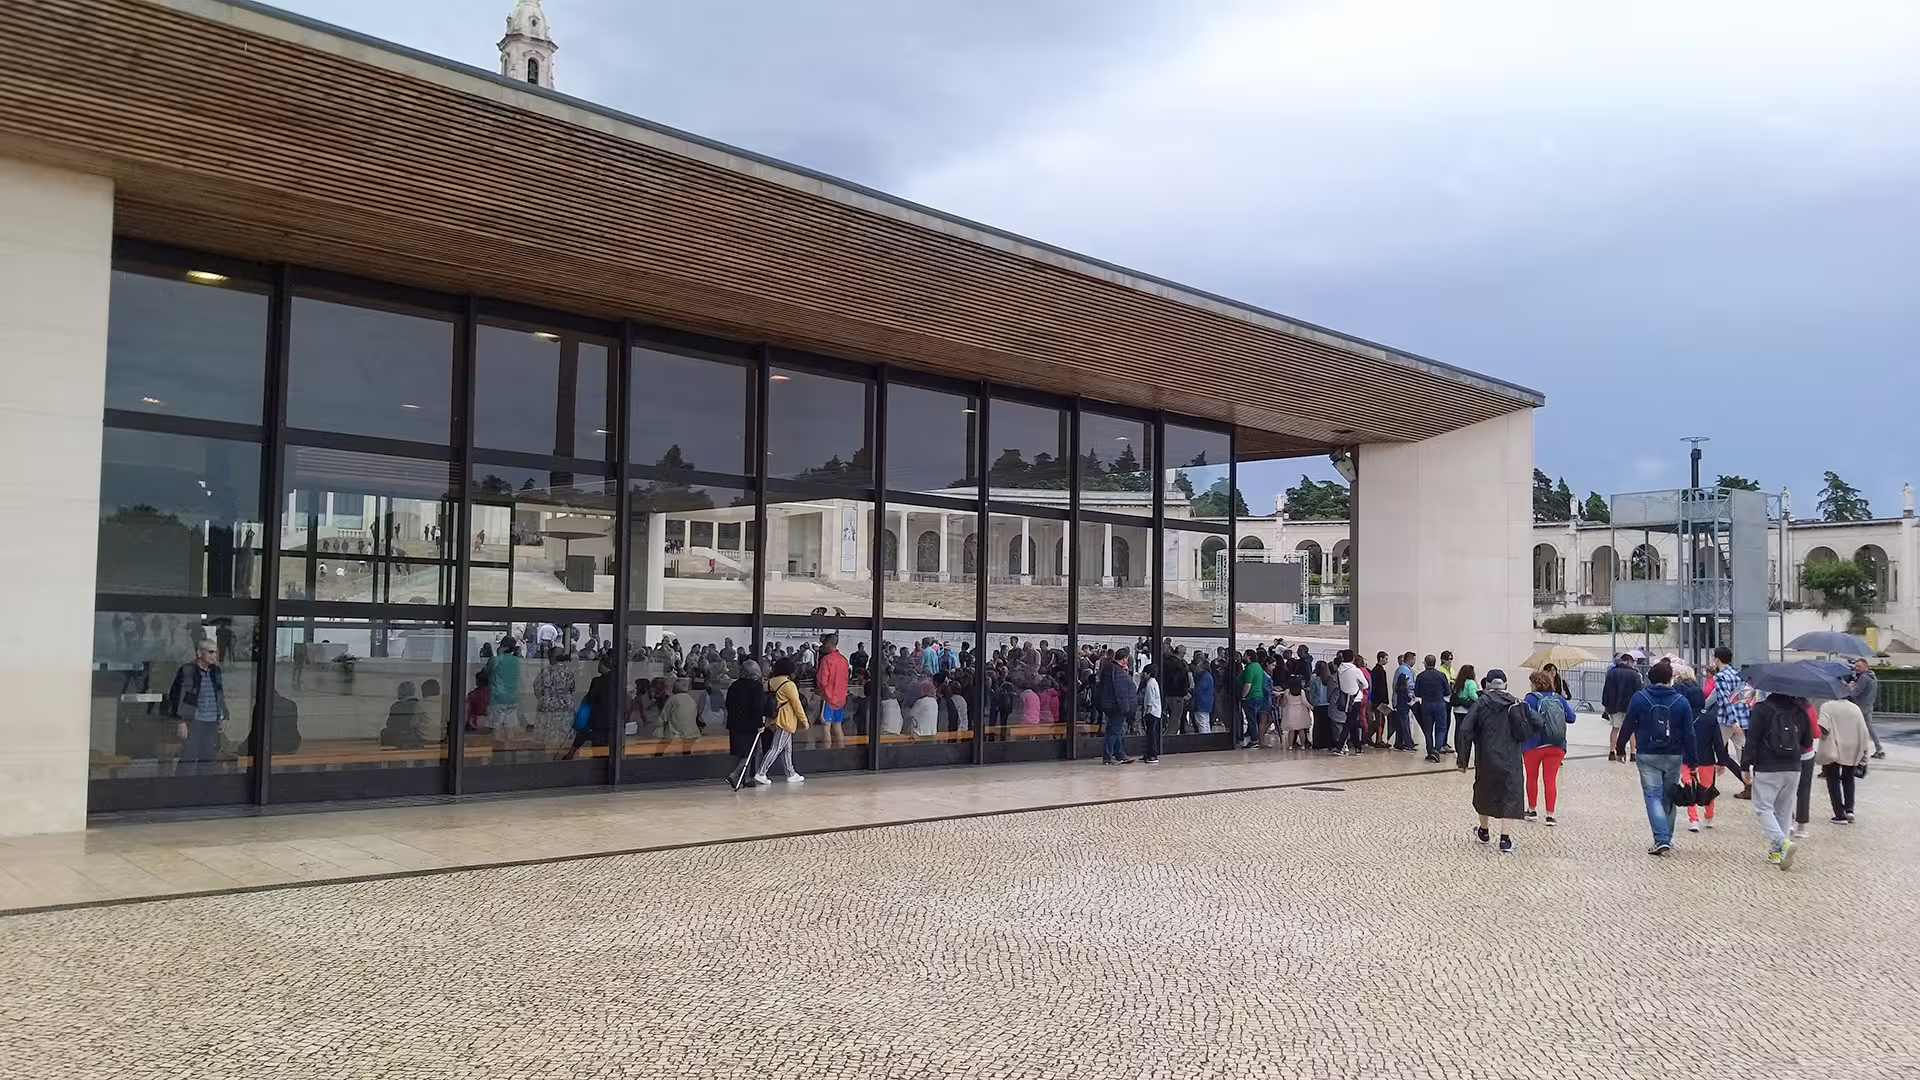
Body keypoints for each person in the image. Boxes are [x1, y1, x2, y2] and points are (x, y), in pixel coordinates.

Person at [1616, 660, 1696, 856]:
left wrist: (1620, 748)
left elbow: (1628, 725)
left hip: (1647, 753)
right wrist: (1692, 761)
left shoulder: (1639, 698)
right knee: (1669, 796)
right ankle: (1666, 837)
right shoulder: (1681, 702)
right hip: (1673, 754)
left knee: (1653, 796)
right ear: (1670, 679)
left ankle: (1661, 839)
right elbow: (1690, 733)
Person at [1456, 669, 1534, 854]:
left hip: (1486, 756)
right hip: (1511, 758)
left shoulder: (1481, 703)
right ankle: (1505, 840)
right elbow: (1534, 723)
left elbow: (1466, 729)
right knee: (1511, 795)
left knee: (1484, 791)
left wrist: (1463, 760)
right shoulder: (1516, 703)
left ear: (1487, 685)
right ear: (1505, 684)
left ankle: (1484, 831)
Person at [1741, 690, 1814, 870]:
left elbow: (1753, 739)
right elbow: (1807, 740)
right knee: (1784, 809)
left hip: (1767, 766)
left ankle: (1782, 843)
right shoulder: (1800, 710)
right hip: (1793, 766)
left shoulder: (1761, 709)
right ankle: (1776, 852)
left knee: (1763, 807)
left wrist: (1745, 765)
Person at [165, 640, 229, 772]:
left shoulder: (215, 671)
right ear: (200, 653)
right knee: (188, 757)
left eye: (216, 652)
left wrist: (223, 715)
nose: (215, 655)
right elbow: (178, 697)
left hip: (212, 721)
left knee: (208, 758)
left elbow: (219, 694)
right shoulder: (187, 670)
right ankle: (181, 787)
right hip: (194, 721)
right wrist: (181, 721)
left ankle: (203, 787)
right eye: (211, 652)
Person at [1522, 669, 1575, 825]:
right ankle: (1550, 815)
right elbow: (1572, 718)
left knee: (1532, 778)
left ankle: (1532, 811)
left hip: (1534, 745)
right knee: (1550, 779)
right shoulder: (1558, 698)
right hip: (1557, 744)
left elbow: (1523, 718)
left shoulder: (1530, 699)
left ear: (1535, 684)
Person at [1705, 646, 1753, 796]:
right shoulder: (1739, 674)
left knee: (1712, 751)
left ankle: (1709, 787)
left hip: (1726, 720)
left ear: (1717, 659)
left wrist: (1732, 720)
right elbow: (1745, 698)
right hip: (1742, 718)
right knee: (1743, 754)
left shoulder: (1720, 677)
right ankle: (1749, 786)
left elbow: (1724, 700)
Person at [753, 655, 808, 785]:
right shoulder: (789, 685)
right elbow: (796, 704)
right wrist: (804, 721)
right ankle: (761, 773)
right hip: (785, 720)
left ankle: (791, 773)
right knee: (776, 747)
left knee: (787, 748)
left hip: (773, 718)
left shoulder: (769, 682)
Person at [1816, 694, 1871, 823]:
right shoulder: (1854, 708)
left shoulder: (1827, 706)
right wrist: (1864, 752)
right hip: (1852, 747)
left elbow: (1823, 728)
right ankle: (1849, 809)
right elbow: (1864, 731)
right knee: (1848, 778)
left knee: (1832, 780)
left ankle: (1839, 814)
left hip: (1833, 747)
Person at [561, 654, 617, 761]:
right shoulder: (617, 681)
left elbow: (591, 698)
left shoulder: (597, 681)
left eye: (600, 664)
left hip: (598, 718)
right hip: (612, 719)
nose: (598, 667)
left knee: (592, 740)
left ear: (605, 665)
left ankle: (571, 754)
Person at [724, 659, 769, 785]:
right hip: (749, 724)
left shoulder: (734, 685)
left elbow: (728, 703)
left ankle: (746, 778)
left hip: (734, 723)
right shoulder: (756, 687)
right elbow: (757, 707)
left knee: (741, 753)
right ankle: (735, 774)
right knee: (750, 752)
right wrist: (760, 724)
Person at [1096, 650, 1137, 765]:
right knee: (1114, 730)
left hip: (1108, 704)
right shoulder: (1118, 671)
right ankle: (1108, 755)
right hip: (1117, 706)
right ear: (1124, 658)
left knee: (1117, 730)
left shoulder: (1108, 668)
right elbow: (1121, 691)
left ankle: (1120, 754)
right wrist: (1126, 708)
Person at [1601, 652, 1644, 764]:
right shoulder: (1635, 675)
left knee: (1615, 728)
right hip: (1630, 707)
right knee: (1632, 730)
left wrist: (1606, 705)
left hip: (1614, 706)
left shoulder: (1611, 673)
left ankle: (1612, 752)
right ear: (1629, 662)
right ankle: (1633, 753)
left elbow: (1606, 690)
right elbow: (1639, 692)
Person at [532, 646, 578, 749]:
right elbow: (572, 688)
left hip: (549, 706)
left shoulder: (545, 671)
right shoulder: (569, 672)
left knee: (549, 735)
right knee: (565, 735)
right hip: (566, 705)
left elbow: (537, 688)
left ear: (551, 657)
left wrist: (544, 699)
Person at [485, 637, 523, 747]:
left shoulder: (495, 660)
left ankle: (498, 753)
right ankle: (510, 751)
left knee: (497, 728)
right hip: (513, 698)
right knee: (510, 727)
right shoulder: (516, 661)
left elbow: (485, 673)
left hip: (498, 698)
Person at [816, 633, 850, 750]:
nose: (823, 646)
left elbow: (822, 680)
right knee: (837, 726)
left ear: (829, 644)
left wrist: (821, 692)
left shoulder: (826, 660)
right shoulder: (844, 660)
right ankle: (841, 752)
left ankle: (826, 753)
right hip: (841, 698)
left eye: (824, 643)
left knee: (826, 726)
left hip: (828, 698)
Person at [1414, 655, 1451, 762]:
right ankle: (1437, 749)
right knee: (1441, 728)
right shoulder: (1441, 675)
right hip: (1439, 704)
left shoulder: (1421, 676)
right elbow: (1447, 691)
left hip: (1426, 704)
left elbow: (1417, 692)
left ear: (1425, 663)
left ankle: (1430, 750)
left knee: (1428, 729)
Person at [1849, 658, 1884, 759]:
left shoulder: (1864, 678)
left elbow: (1855, 693)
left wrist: (1848, 687)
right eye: (1856, 666)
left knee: (1855, 728)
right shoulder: (1872, 676)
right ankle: (1879, 749)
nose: (1857, 668)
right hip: (1869, 705)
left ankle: (1857, 751)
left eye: (1859, 666)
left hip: (1861, 706)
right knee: (1869, 728)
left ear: (1865, 666)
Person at [1239, 650, 1271, 749]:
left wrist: (1243, 696)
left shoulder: (1249, 668)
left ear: (1249, 657)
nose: (1243, 658)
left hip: (1251, 697)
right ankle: (1256, 739)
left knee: (1251, 719)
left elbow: (1248, 684)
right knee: (1255, 719)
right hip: (1259, 696)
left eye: (1244, 656)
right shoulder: (1258, 667)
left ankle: (1254, 740)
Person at [1448, 664, 1479, 756]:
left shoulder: (1458, 682)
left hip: (1457, 710)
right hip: (1466, 710)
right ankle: (1465, 749)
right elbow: (1473, 695)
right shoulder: (1471, 683)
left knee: (1458, 730)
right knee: (1467, 731)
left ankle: (1458, 749)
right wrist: (1479, 700)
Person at [1161, 647, 1191, 739]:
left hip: (1167, 694)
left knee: (1169, 719)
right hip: (1177, 695)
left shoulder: (1166, 662)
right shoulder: (1179, 665)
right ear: (1181, 653)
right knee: (1175, 720)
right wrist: (1185, 692)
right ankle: (1170, 740)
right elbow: (1182, 680)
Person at [1391, 652, 1418, 752]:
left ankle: (1398, 742)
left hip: (1400, 698)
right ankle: (1408, 744)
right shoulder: (1404, 670)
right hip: (1402, 699)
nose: (1415, 662)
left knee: (1401, 721)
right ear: (1410, 660)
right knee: (1404, 721)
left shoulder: (1404, 669)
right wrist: (1411, 696)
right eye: (1414, 660)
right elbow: (1406, 686)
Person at [1140, 662, 1164, 764]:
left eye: (1144, 673)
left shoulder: (1150, 684)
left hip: (1151, 712)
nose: (1143, 675)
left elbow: (1149, 700)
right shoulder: (1154, 682)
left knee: (1151, 735)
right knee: (1151, 734)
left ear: (1149, 673)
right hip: (1155, 711)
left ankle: (1153, 755)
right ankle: (1149, 753)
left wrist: (1145, 712)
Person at [1369, 651, 1391, 748]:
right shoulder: (1380, 671)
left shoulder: (1376, 670)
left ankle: (1375, 737)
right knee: (1380, 720)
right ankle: (1378, 739)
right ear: (1380, 658)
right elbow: (1382, 687)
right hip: (1379, 701)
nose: (1387, 661)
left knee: (1380, 719)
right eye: (1385, 658)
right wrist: (1385, 701)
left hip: (1376, 700)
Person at [1190, 656, 1215, 735]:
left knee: (1201, 724)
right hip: (1207, 703)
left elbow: (1199, 689)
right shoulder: (1208, 676)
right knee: (1205, 723)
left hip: (1201, 703)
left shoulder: (1203, 677)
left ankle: (1204, 741)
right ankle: (1208, 740)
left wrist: (1190, 690)